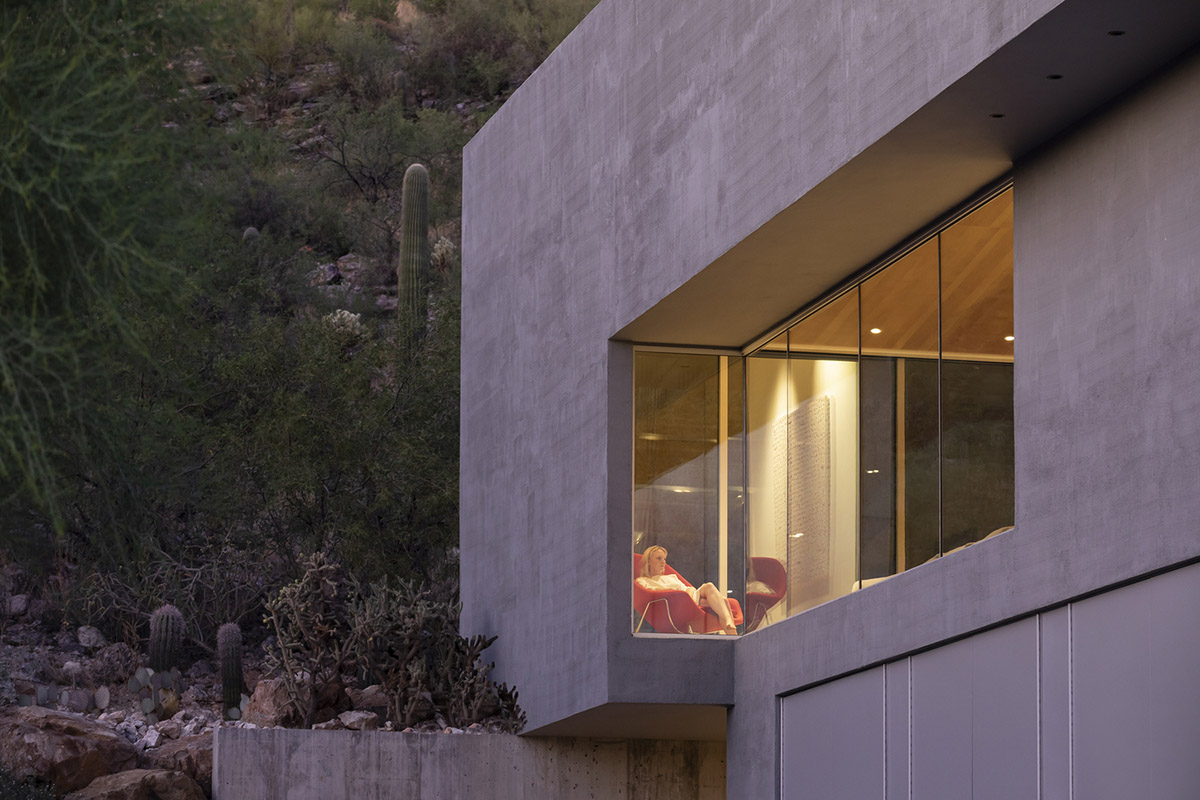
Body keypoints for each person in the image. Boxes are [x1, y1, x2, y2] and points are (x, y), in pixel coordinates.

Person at [637, 545, 738, 635]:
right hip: (677, 605)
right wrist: (674, 591)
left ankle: (732, 635)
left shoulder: (671, 577)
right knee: (714, 592)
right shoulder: (643, 581)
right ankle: (730, 626)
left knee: (721, 598)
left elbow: (689, 589)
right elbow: (652, 592)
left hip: (689, 599)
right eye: (659, 558)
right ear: (648, 561)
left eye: (664, 559)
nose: (663, 562)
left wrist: (687, 593)